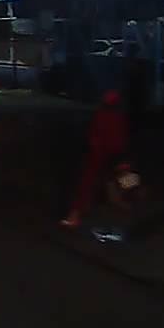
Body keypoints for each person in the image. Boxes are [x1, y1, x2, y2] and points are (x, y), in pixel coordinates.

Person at [61, 89, 128, 227]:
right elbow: (112, 137)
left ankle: (76, 214)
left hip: (103, 154)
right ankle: (77, 214)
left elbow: (104, 136)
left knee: (93, 182)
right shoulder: (113, 116)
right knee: (105, 180)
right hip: (106, 154)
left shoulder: (107, 116)